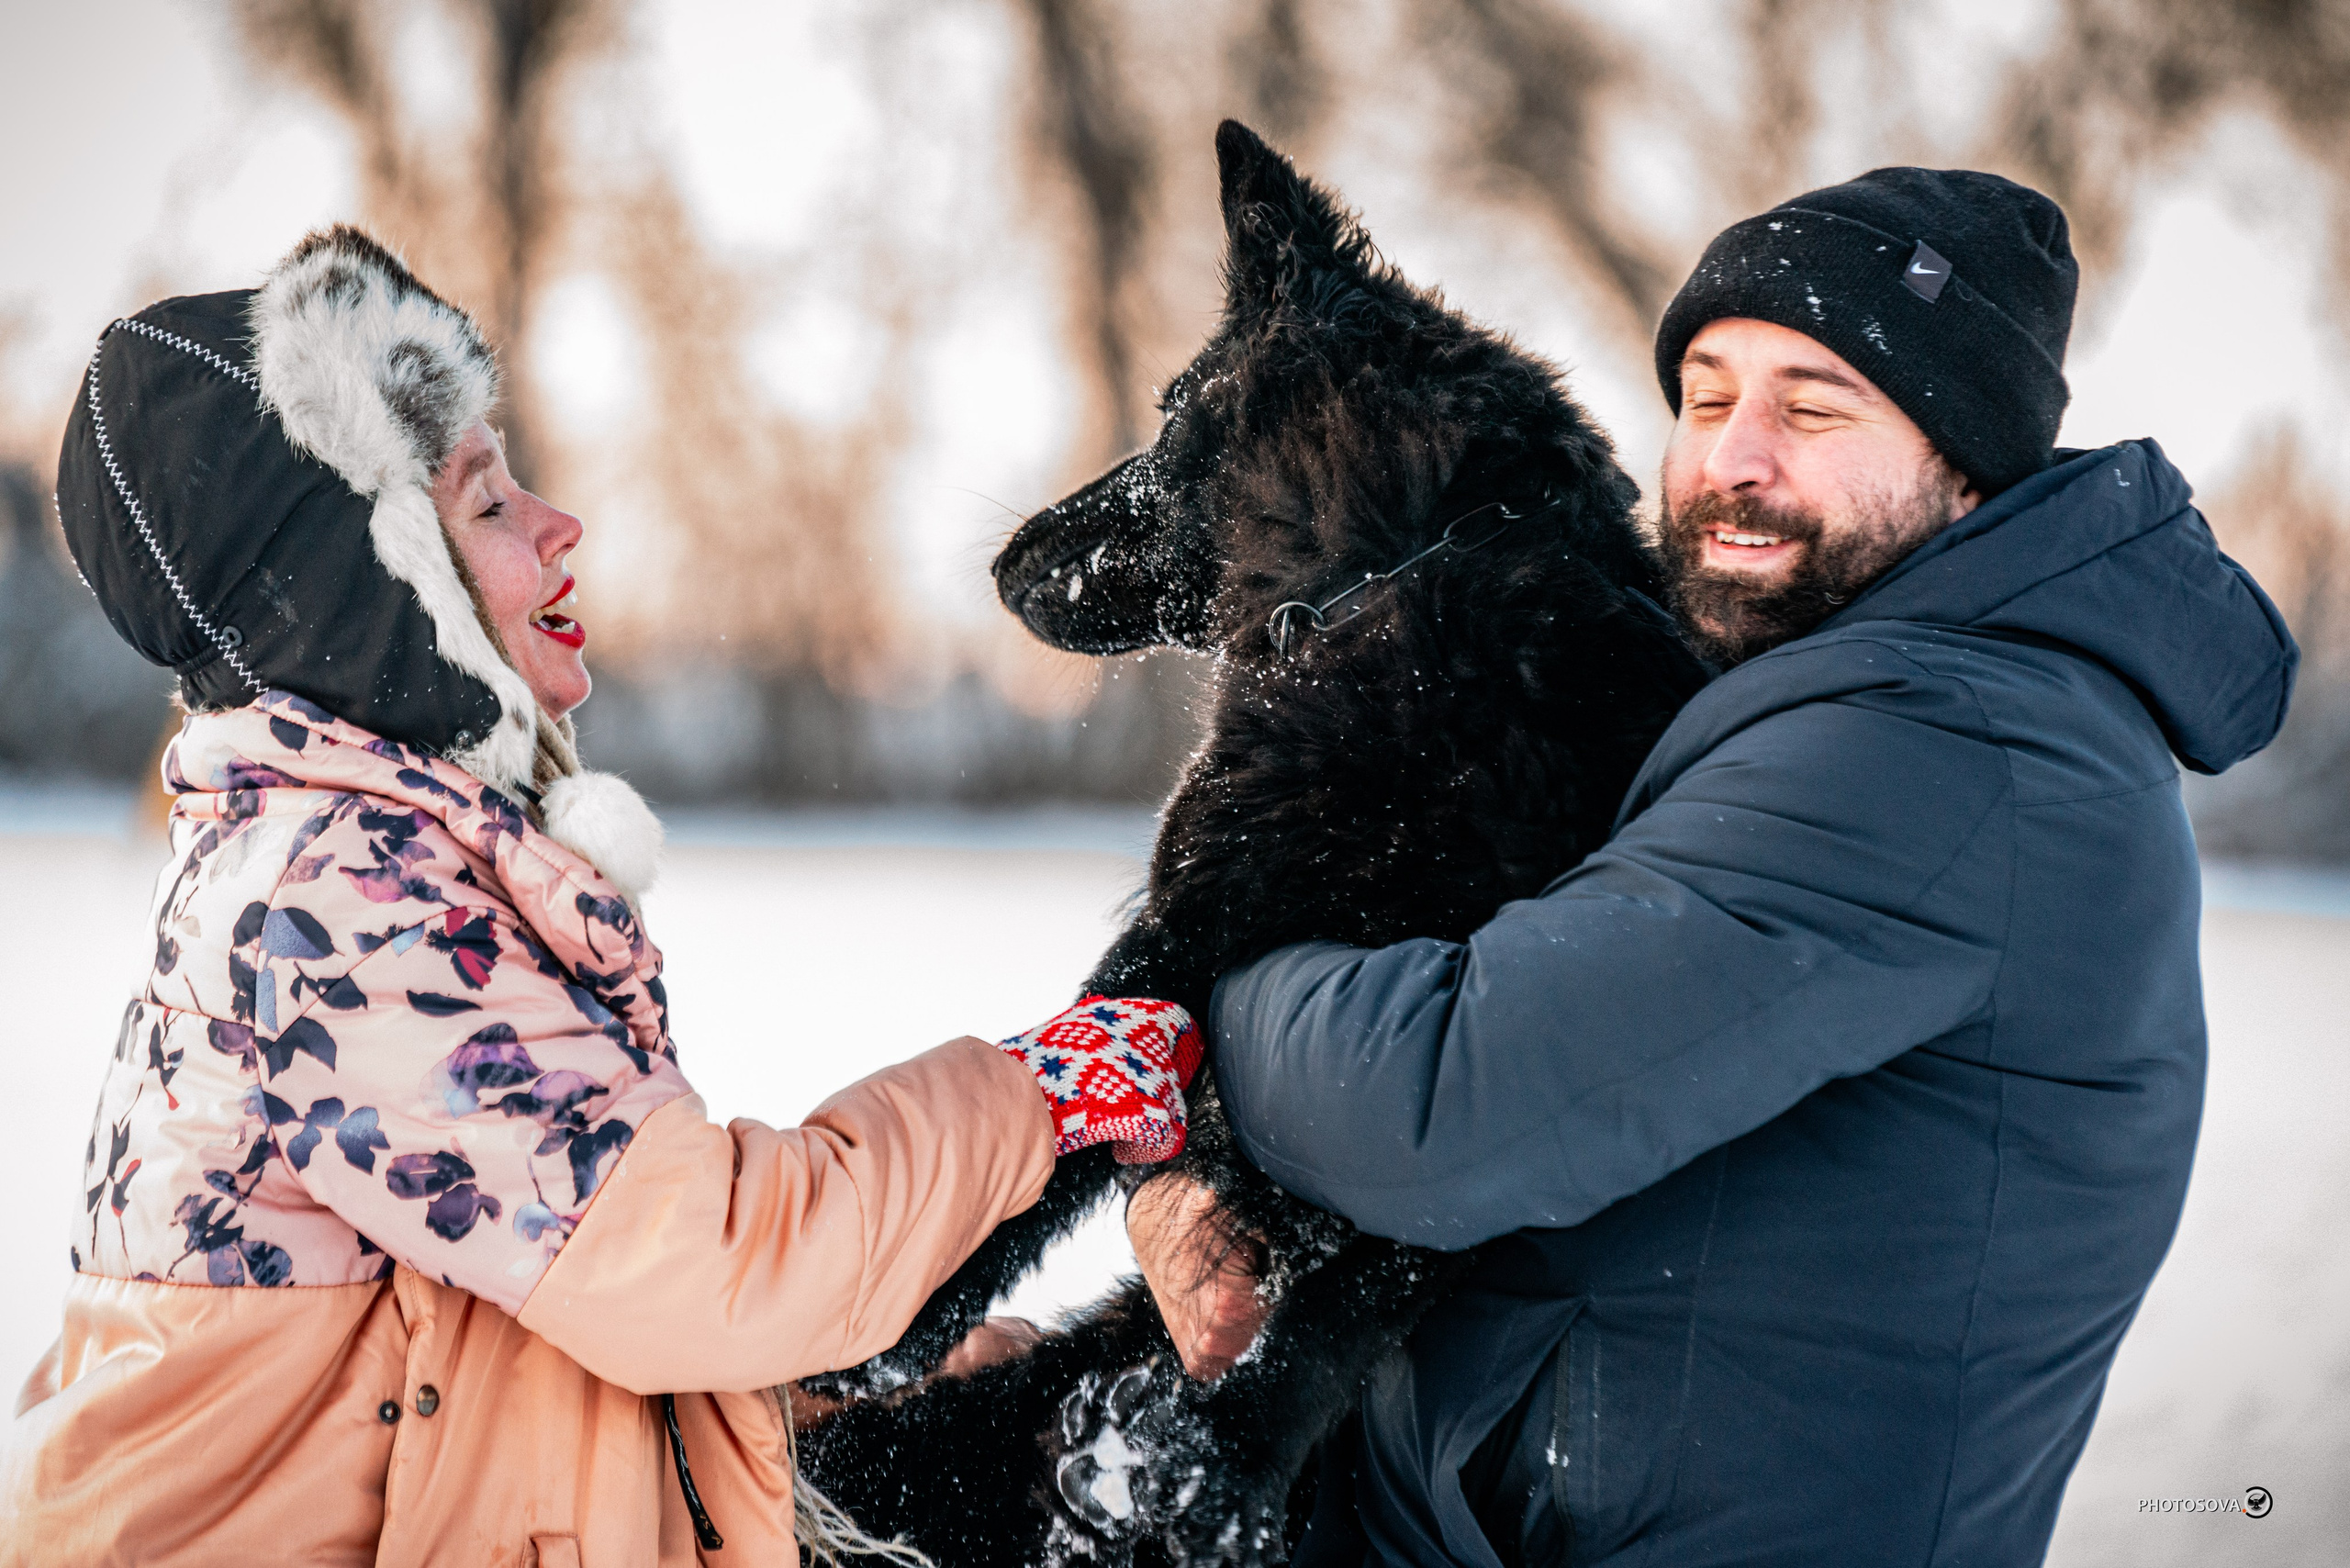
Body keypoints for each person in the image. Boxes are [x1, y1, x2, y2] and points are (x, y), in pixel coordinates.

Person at [1129, 168, 2300, 1564]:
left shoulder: (1941, 754)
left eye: (1811, 409)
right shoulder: (1841, 705)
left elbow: (1436, 1106)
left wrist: (1201, 998)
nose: (1731, 458)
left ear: (1966, 462)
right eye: (1705, 397)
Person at [2, 225, 1201, 1568]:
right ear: (376, 588)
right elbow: (709, 1269)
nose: (557, 526)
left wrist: (917, 1374)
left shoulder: (358, 858)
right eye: (485, 502)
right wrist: (1035, 1096)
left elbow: (553, 1328)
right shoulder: (340, 906)